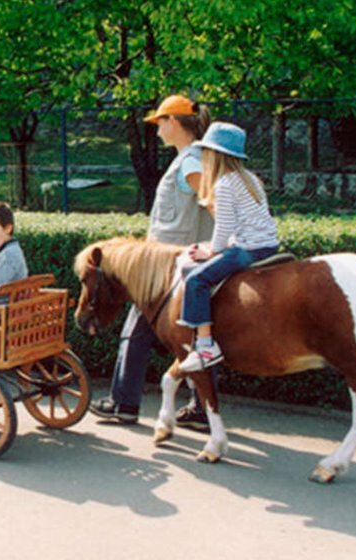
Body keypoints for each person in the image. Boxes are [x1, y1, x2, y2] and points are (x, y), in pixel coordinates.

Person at [89, 94, 216, 427]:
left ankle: (123, 403)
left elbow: (211, 200)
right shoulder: (193, 157)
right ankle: (201, 409)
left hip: (167, 269)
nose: (157, 130)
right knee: (187, 340)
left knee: (135, 332)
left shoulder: (190, 161)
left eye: (159, 123)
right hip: (176, 265)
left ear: (173, 123)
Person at [176, 121, 279, 372]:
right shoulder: (251, 179)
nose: (203, 157)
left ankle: (205, 346)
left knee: (195, 280)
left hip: (248, 249)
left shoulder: (224, 185)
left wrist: (210, 252)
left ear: (215, 156)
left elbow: (224, 227)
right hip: (269, 245)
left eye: (206, 153)